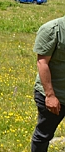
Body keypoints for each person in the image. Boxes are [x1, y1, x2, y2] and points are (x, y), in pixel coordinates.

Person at [31, 15, 65, 151]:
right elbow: (42, 63)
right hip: (55, 95)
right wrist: (50, 96)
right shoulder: (52, 30)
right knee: (44, 135)